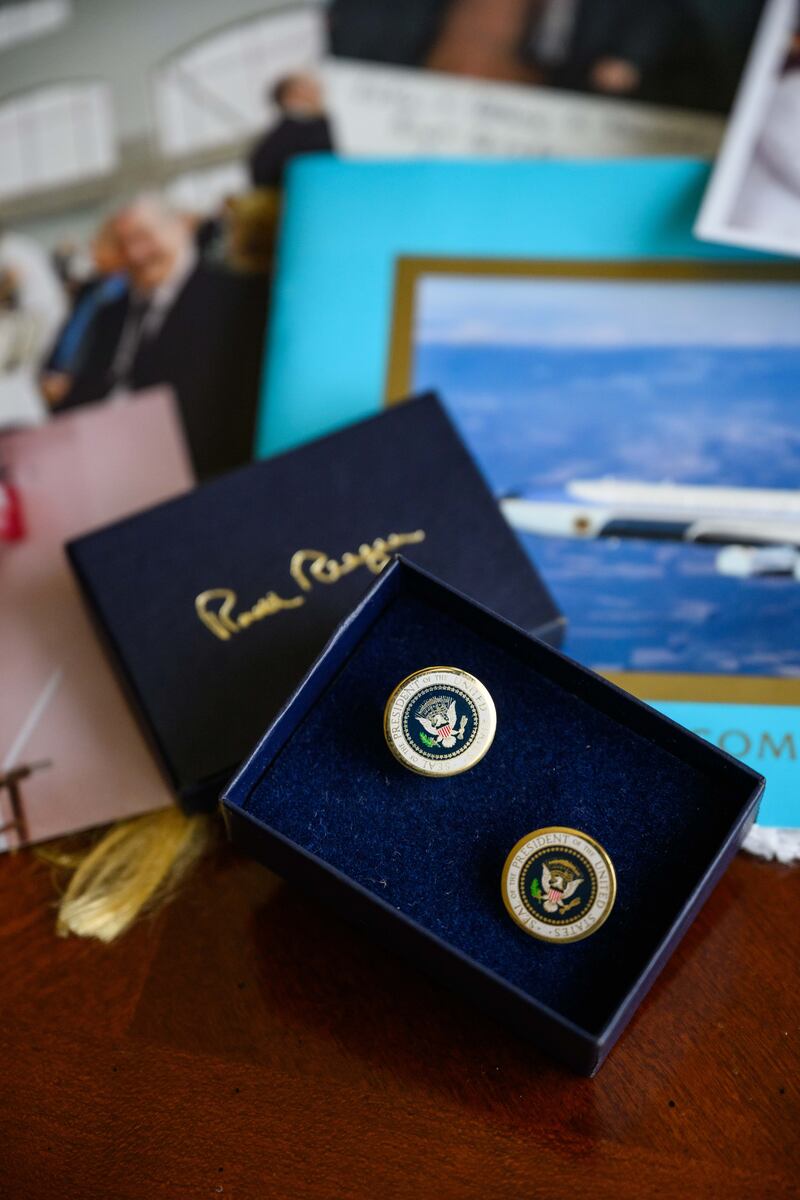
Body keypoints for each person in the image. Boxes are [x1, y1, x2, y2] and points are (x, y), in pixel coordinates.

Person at [55, 196, 267, 480]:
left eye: (144, 237)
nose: (135, 254)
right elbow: (82, 394)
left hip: (198, 473)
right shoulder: (112, 315)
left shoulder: (234, 297)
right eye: (124, 244)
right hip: (106, 470)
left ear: (178, 228)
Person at [40, 221, 127, 409]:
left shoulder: (129, 294)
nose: (92, 244)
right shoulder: (89, 288)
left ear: (121, 248)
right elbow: (65, 334)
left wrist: (72, 384)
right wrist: (45, 374)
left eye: (101, 241)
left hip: (89, 394)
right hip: (56, 384)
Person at [248, 73, 333, 190]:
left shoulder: (317, 124)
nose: (317, 90)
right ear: (291, 95)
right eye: (306, 86)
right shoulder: (297, 130)